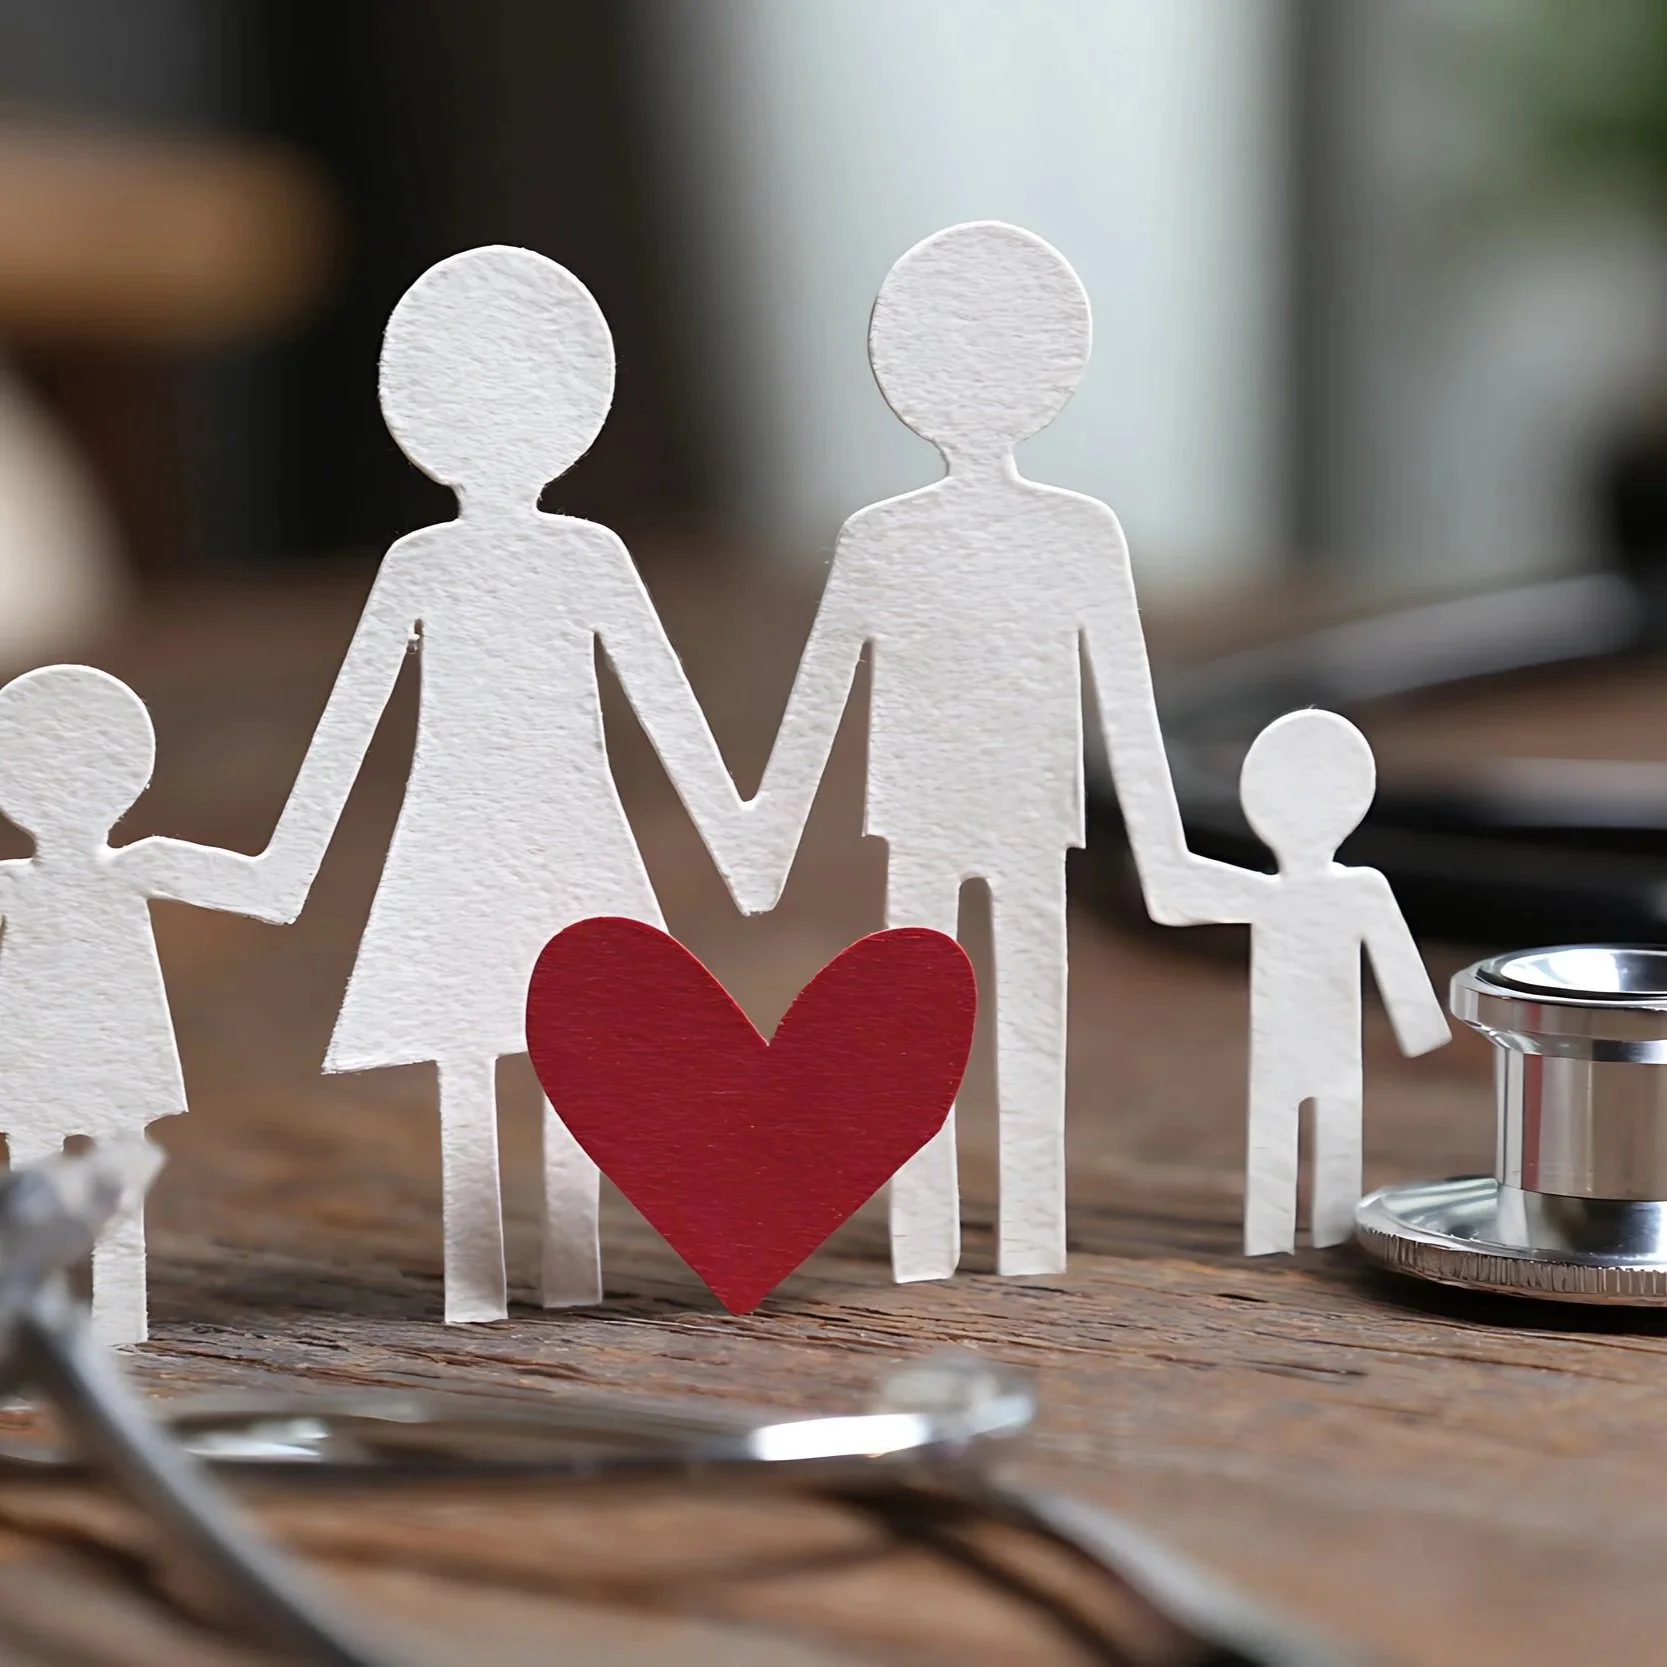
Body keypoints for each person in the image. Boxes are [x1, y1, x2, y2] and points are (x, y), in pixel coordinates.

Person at [260, 247, 754, 1324]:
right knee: (479, 1033)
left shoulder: (582, 556)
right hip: (464, 827)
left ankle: (565, 1265)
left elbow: (660, 697)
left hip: (553, 820)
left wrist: (741, 837)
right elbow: (353, 717)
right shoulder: (426, 564)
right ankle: (482, 1276)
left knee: (573, 1026)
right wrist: (283, 867)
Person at [735, 222, 1192, 1282]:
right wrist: (766, 834)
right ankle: (930, 1225)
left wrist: (1164, 853)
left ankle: (1020, 1223)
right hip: (931, 809)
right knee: (921, 1017)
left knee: (1020, 1008)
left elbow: (1126, 699)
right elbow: (823, 687)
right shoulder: (885, 538)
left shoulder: (1075, 534)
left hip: (1016, 807)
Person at [0, 663, 297, 1345]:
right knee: (79, 1187)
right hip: (64, 1059)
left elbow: (275, 888)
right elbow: (278, 884)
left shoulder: (69, 874)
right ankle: (65, 1326)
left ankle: (75, 1326)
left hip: (69, 1060)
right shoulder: (127, 865)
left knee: (72, 1186)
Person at [1143, 709, 1450, 1254]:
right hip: (1284, 1053)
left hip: (1326, 1052)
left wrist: (1421, 1028)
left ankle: (1319, 1232)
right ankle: (1276, 1235)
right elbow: (1173, 895)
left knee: (1328, 1140)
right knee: (1279, 1143)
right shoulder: (1272, 892)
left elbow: (1399, 965)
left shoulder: (1354, 890)